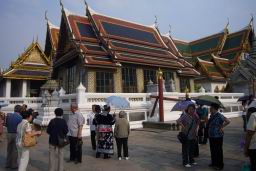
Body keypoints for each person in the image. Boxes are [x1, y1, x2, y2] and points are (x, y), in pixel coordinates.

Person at [207, 103, 230, 170]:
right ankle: (214, 163)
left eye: (211, 107)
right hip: (211, 135)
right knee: (213, 150)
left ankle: (220, 165)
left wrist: (221, 127)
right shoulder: (212, 115)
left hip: (218, 136)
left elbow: (228, 121)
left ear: (214, 108)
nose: (210, 109)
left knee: (218, 151)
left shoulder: (219, 115)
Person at [177, 104, 199, 168]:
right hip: (186, 135)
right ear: (187, 110)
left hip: (193, 135)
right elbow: (178, 121)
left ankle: (191, 160)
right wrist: (183, 126)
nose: (191, 110)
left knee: (192, 149)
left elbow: (198, 122)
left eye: (192, 109)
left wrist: (196, 130)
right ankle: (185, 162)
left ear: (194, 110)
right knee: (185, 150)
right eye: (189, 109)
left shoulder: (195, 116)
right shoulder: (185, 116)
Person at [5, 105, 23, 169]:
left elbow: (6, 125)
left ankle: (7, 163)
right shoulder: (20, 117)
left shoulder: (9, 116)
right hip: (16, 134)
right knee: (15, 150)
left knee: (9, 149)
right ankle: (13, 164)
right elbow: (20, 128)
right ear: (20, 110)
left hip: (9, 133)